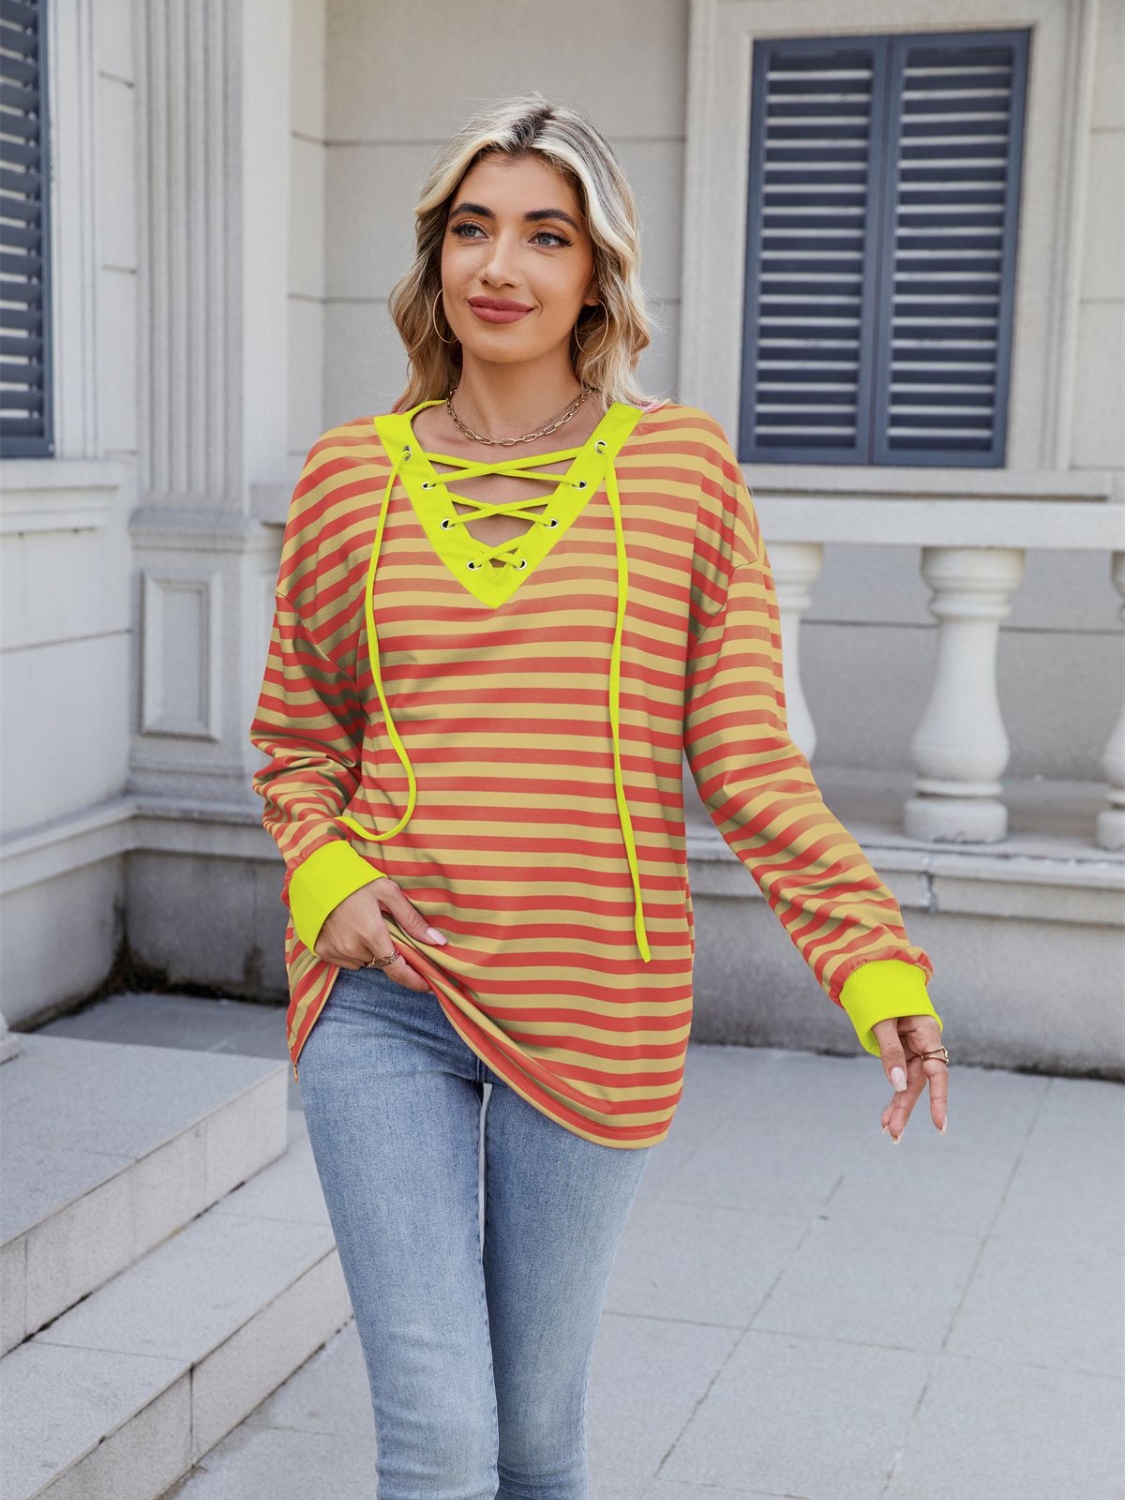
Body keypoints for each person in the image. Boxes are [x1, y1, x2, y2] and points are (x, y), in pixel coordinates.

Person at [249, 90, 949, 1500]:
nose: (499, 265)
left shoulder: (681, 470)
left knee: (534, 1438)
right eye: (471, 228)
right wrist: (326, 877)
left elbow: (744, 754)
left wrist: (871, 960)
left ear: (596, 273)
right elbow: (299, 740)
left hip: (596, 1002)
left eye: (544, 235)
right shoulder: (347, 476)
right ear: (437, 256)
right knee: (440, 1436)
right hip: (383, 995)